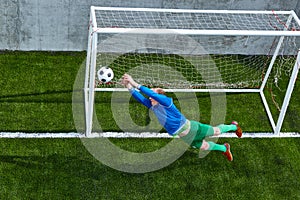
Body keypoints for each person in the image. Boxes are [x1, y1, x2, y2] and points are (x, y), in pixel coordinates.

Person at [121, 74, 242, 161]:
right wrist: (129, 87)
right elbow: (141, 99)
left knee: (216, 132)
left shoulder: (166, 103)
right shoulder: (153, 106)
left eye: (153, 93)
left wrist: (134, 83)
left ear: (159, 96)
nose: (150, 95)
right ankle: (224, 148)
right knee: (204, 146)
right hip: (184, 135)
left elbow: (151, 94)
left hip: (193, 128)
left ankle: (233, 126)